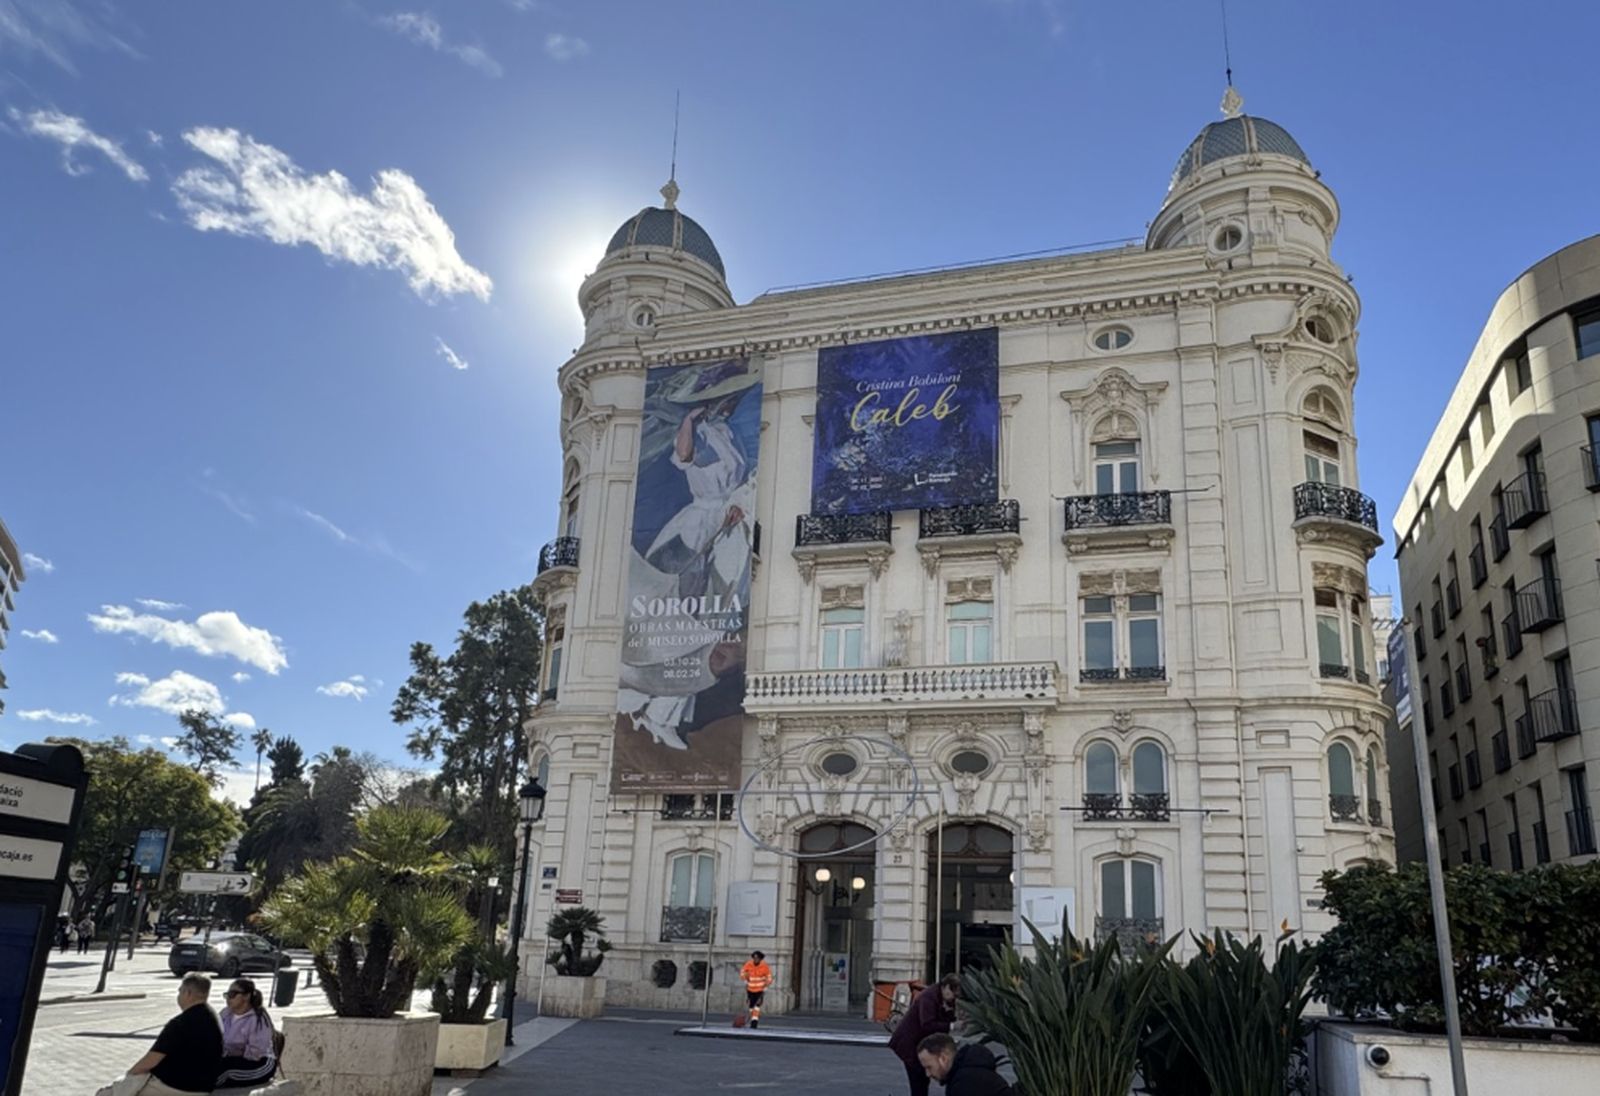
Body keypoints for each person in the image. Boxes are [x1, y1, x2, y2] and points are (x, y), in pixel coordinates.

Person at [95, 972, 222, 1096]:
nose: (178, 996)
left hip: (174, 1086)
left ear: (187, 993)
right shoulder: (214, 1017)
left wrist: (129, 1076)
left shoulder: (180, 1023)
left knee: (106, 1093)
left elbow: (150, 1061)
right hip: (204, 1086)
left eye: (180, 991)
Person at [887, 973, 960, 1096]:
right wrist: (951, 1025)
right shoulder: (929, 997)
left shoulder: (944, 998)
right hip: (910, 1043)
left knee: (923, 1079)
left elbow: (941, 1022)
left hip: (921, 1042)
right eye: (953, 994)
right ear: (946, 987)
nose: (953, 998)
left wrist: (950, 1015)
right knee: (918, 1080)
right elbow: (927, 1025)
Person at [214, 977, 277, 1089]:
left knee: (226, 1073)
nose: (228, 998)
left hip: (259, 1063)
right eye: (227, 994)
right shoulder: (225, 1014)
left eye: (232, 994)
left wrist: (231, 1054)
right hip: (231, 1059)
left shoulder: (258, 1018)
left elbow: (256, 1052)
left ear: (246, 996)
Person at [916, 1033, 1015, 1096]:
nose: (927, 1074)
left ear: (943, 1058)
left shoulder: (964, 1082)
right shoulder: (969, 1070)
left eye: (929, 1067)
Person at [739, 950, 772, 1029]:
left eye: (757, 958)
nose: (755, 959)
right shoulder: (748, 964)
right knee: (751, 1006)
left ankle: (754, 1023)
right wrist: (744, 979)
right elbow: (742, 972)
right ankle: (752, 1018)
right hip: (750, 989)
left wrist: (766, 986)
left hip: (760, 990)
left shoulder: (764, 966)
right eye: (754, 958)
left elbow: (769, 977)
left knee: (757, 1006)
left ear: (760, 959)